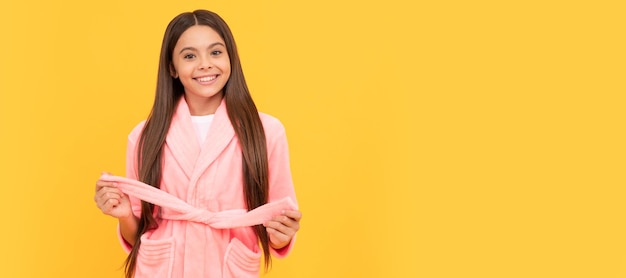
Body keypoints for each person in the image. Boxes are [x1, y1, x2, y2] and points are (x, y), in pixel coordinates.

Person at [93, 9, 301, 278]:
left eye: (215, 52)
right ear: (172, 67)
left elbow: (279, 229)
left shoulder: (266, 132)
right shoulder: (145, 136)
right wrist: (123, 214)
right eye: (190, 56)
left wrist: (282, 235)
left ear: (230, 58)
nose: (205, 64)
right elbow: (136, 236)